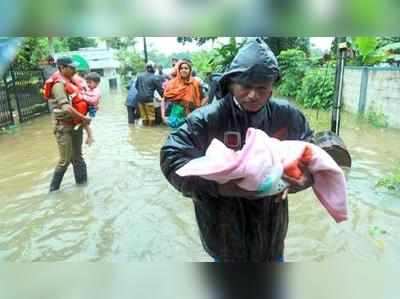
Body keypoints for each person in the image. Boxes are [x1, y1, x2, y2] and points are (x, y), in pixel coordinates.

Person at [160, 38, 315, 262]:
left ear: (272, 86)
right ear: (231, 83)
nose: (253, 95)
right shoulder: (206, 119)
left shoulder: (287, 116)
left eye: (262, 88)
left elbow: (311, 149)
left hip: (271, 228)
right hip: (221, 228)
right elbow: (171, 157)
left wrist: (297, 180)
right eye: (246, 86)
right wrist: (219, 187)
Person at [47, 57, 91, 192]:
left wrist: (84, 122)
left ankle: (83, 187)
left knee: (78, 157)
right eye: (71, 67)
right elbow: (66, 108)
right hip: (64, 127)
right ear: (62, 68)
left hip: (75, 125)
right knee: (64, 161)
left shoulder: (72, 82)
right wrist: (83, 118)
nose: (75, 70)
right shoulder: (58, 85)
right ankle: (53, 192)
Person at [161, 60, 207, 128]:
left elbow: (205, 98)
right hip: (176, 114)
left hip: (192, 114)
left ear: (190, 70)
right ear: (178, 71)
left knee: (191, 136)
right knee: (176, 136)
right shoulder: (172, 83)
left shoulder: (196, 83)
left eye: (186, 68)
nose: (183, 70)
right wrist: (163, 116)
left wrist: (199, 109)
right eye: (181, 68)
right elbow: (164, 100)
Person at [135, 62, 164, 126]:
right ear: (153, 69)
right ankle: (151, 130)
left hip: (139, 99)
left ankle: (145, 130)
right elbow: (160, 90)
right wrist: (164, 97)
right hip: (149, 99)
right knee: (151, 117)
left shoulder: (139, 76)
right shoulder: (155, 77)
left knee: (144, 117)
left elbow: (136, 86)